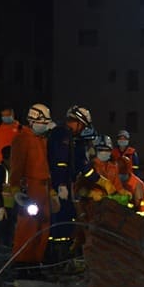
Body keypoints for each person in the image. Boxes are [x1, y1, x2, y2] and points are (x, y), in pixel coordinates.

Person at [48, 104, 97, 260]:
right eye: (82, 126)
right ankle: (55, 258)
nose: (82, 130)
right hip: (57, 186)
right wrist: (60, 185)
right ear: (76, 121)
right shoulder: (61, 134)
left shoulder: (70, 138)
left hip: (66, 185)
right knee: (59, 222)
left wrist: (98, 181)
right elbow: (59, 163)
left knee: (67, 220)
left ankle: (63, 257)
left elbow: (81, 166)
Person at [9, 104, 53, 264]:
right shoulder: (22, 139)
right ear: (33, 120)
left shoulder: (42, 140)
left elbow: (47, 166)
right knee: (28, 227)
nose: (45, 126)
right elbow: (16, 166)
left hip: (43, 187)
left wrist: (52, 191)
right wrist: (15, 189)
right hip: (31, 187)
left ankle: (35, 262)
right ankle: (22, 263)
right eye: (43, 122)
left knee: (43, 227)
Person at [0, 106, 21, 175]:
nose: (5, 117)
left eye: (7, 115)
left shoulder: (19, 128)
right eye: (3, 116)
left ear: (12, 115)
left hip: (15, 164)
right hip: (0, 164)